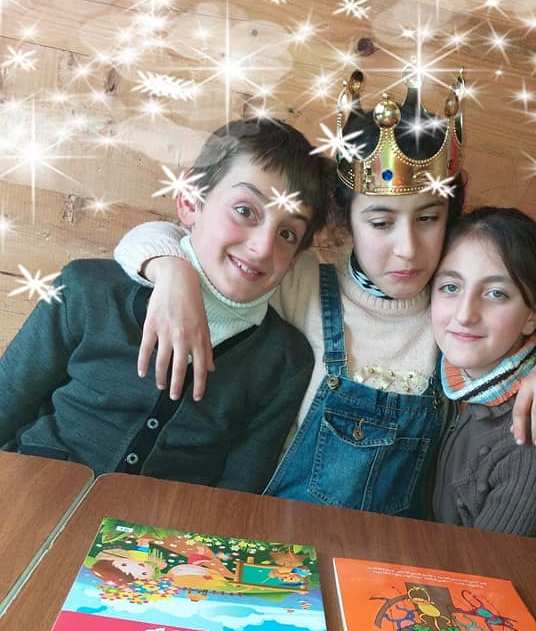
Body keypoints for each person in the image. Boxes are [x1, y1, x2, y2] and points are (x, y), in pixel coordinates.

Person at [113, 71, 536, 517]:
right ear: (346, 221)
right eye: (381, 222)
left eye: (428, 218)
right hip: (273, 539)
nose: (407, 249)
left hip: (383, 561)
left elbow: (523, 370)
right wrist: (172, 271)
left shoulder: (452, 314)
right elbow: (174, 240)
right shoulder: (299, 280)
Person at [0, 118, 332, 491]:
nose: (262, 247)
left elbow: (238, 497)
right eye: (245, 211)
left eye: (287, 233)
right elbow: (7, 403)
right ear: (190, 199)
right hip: (31, 495)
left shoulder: (285, 361)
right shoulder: (86, 290)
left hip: (159, 527)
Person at [431, 207, 536, 544]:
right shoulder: (443, 374)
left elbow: (480, 564)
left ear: (533, 316)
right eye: (450, 287)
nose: (465, 314)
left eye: (496, 293)